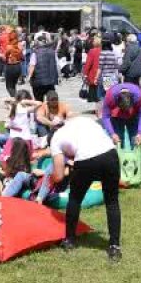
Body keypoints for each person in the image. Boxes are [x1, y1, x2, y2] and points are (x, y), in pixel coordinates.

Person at [50, 112, 122, 261]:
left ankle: (69, 240)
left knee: (75, 198)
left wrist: (48, 177)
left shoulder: (55, 139)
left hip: (86, 159)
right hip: (110, 154)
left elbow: (58, 176)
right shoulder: (82, 120)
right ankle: (114, 246)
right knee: (112, 201)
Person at [100, 82, 141, 148]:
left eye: (127, 108)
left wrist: (140, 133)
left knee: (135, 139)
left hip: (133, 116)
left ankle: (135, 156)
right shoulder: (110, 96)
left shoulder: (139, 96)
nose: (125, 112)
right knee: (118, 139)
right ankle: (118, 156)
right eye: (123, 109)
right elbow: (105, 117)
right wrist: (112, 134)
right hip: (117, 116)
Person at [26, 34, 59, 102]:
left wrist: (29, 77)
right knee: (51, 100)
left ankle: (41, 111)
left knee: (39, 101)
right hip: (50, 81)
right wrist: (59, 76)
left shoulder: (35, 53)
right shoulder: (52, 52)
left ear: (38, 42)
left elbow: (32, 65)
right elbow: (57, 65)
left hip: (38, 82)